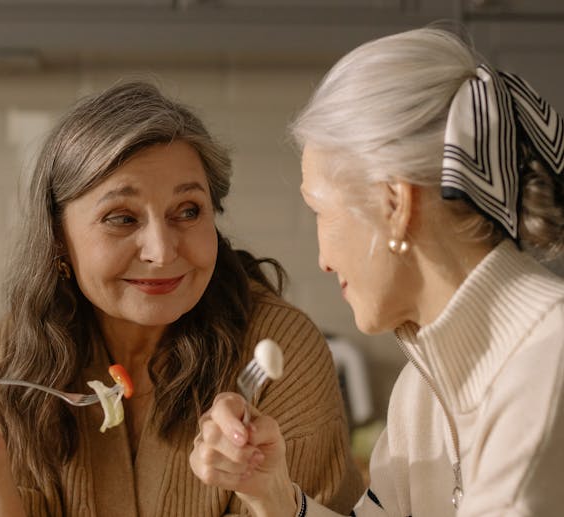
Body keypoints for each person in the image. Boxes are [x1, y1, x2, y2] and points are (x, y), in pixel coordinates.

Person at [0, 81, 364, 516]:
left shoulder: (280, 352)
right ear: (58, 238)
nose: (162, 252)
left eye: (188, 211)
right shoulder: (11, 360)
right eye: (122, 218)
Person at [189, 27, 564, 517]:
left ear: (395, 204)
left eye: (321, 211)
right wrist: (273, 493)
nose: (323, 259)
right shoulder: (421, 390)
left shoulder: (546, 371)